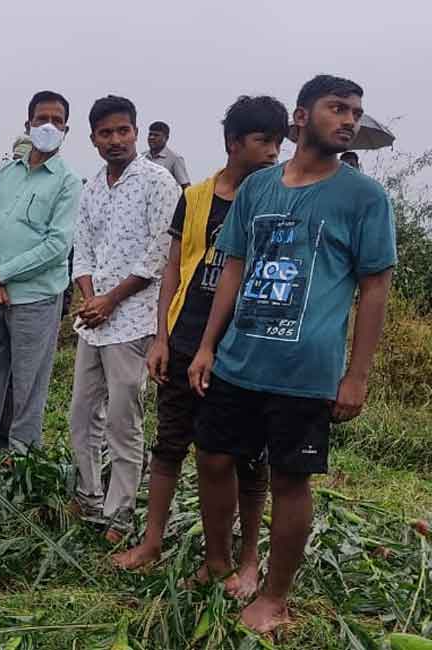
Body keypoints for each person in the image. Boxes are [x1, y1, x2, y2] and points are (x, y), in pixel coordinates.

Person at [188, 75, 395, 634]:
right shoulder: (258, 189)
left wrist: (357, 375)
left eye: (355, 111)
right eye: (337, 108)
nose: (349, 119)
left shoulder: (363, 196)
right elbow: (233, 265)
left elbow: (375, 285)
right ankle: (217, 563)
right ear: (301, 117)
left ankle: (275, 596)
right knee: (211, 456)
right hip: (238, 357)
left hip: (305, 369)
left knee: (290, 478)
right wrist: (207, 345)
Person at [112, 96, 289, 590]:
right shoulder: (196, 198)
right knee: (169, 444)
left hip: (246, 349)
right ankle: (151, 542)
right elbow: (174, 268)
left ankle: (246, 559)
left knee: (248, 458)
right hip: (187, 338)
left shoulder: (278, 201)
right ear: (234, 144)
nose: (274, 152)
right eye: (263, 142)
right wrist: (161, 338)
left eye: (278, 142)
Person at [69, 95, 180, 542]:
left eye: (123, 131)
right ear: (93, 139)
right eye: (105, 133)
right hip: (93, 322)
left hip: (133, 320)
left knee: (123, 417)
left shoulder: (159, 182)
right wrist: (91, 299)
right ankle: (89, 494)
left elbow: (160, 254)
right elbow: (82, 250)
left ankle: (121, 512)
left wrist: (111, 300)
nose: (115, 140)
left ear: (135, 132)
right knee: (82, 413)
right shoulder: (92, 187)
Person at [0, 91, 82, 453]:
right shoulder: (4, 174)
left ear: (66, 129)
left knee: (28, 381)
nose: (48, 126)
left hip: (35, 298)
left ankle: (20, 458)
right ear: (28, 124)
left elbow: (56, 246)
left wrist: (0, 274)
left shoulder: (67, 182)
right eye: (41, 118)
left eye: (57, 120)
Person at [144, 121, 192, 188]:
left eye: (156, 135)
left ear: (166, 138)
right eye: (150, 134)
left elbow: (186, 187)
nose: (151, 137)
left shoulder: (175, 159)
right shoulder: (141, 158)